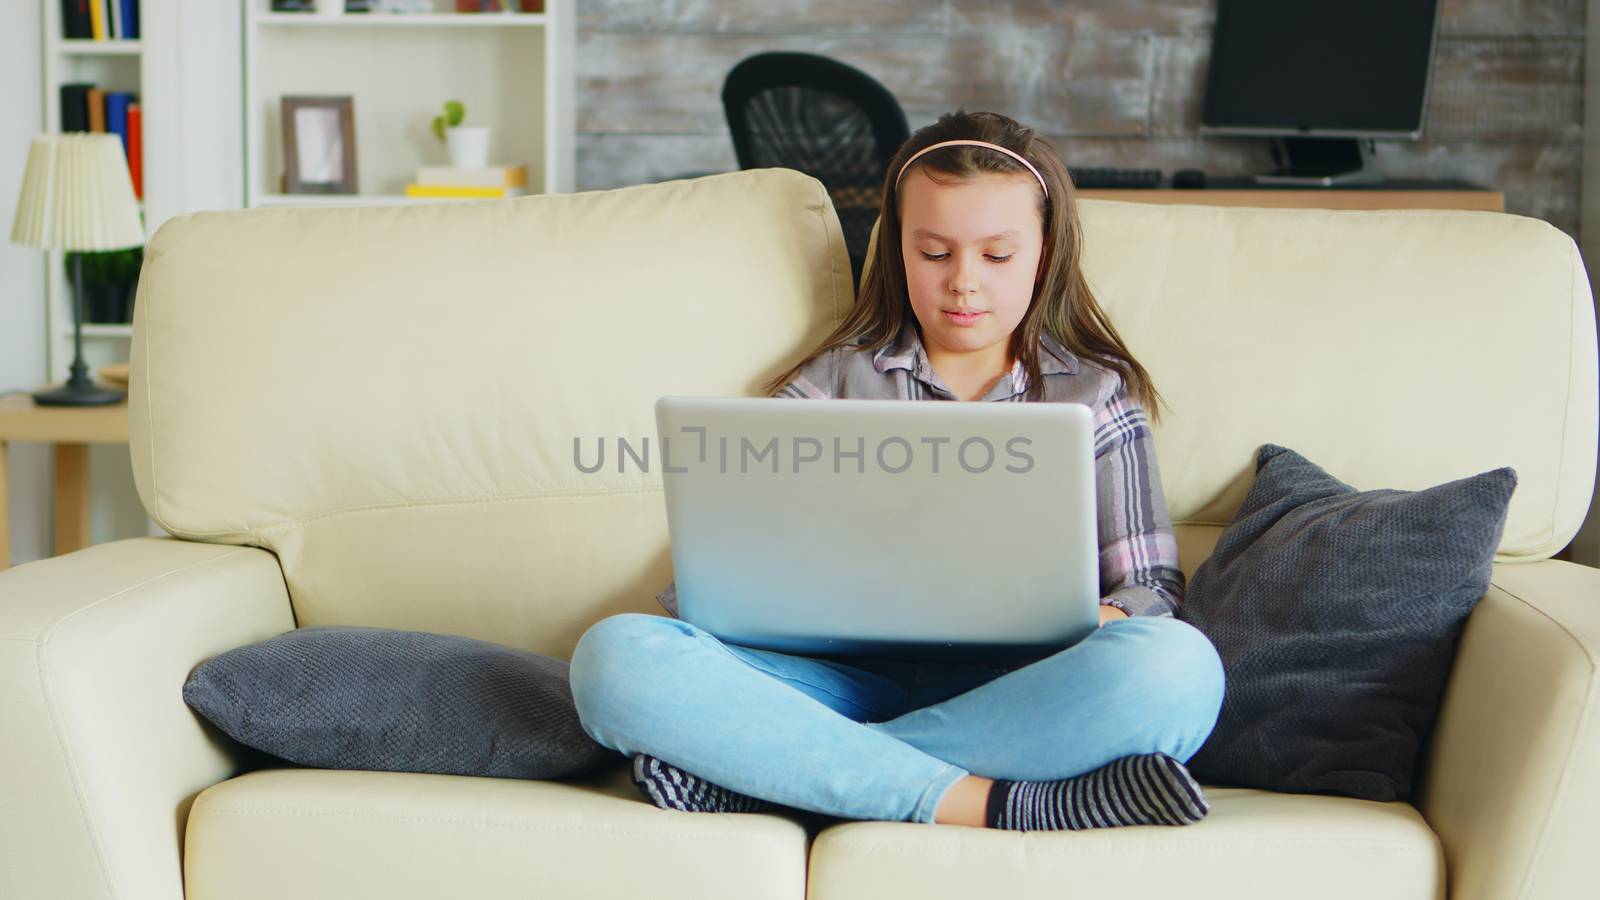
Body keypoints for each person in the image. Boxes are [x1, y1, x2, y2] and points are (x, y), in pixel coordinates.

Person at [568, 109, 1225, 832]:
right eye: (935, 253)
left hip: (1019, 692)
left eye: (997, 257)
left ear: (1045, 252)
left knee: (1179, 672)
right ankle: (985, 802)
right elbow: (727, 576)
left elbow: (1153, 592)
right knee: (614, 658)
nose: (963, 284)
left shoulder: (1095, 395)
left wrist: (1078, 622)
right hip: (829, 684)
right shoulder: (832, 385)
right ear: (897, 251)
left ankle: (780, 778)